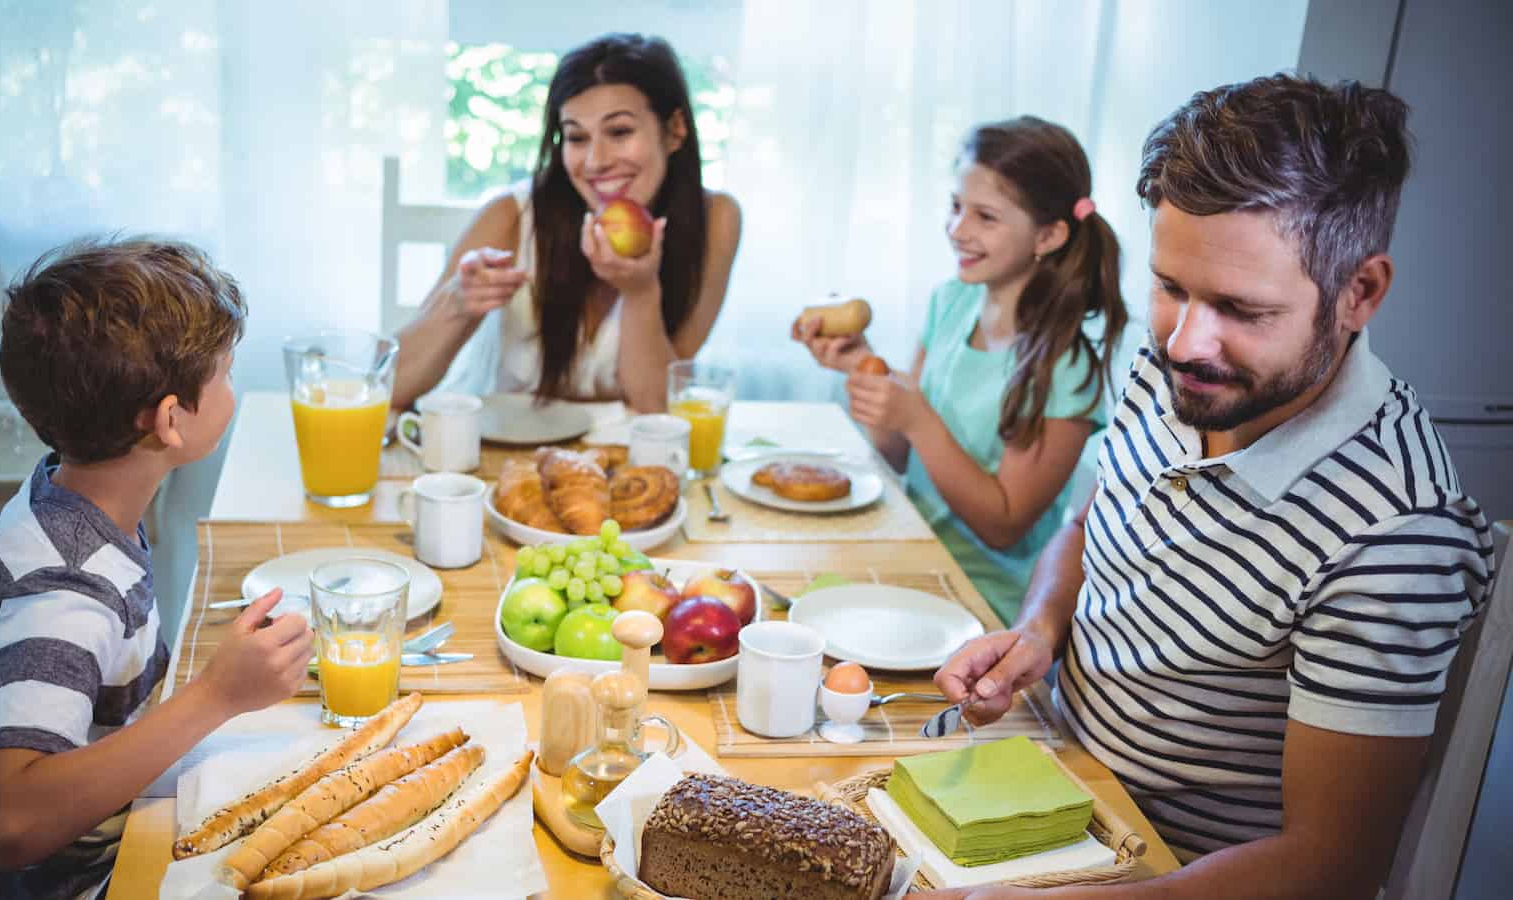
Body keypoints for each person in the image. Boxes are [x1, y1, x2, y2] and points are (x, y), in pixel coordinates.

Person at [923, 75, 1494, 899]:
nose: (1186, 342)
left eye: (1240, 308)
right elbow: (1088, 525)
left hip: (1162, 871)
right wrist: (1041, 630)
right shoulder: (1177, 370)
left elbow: (1330, 864)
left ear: (1360, 291)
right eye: (1171, 288)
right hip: (1047, 779)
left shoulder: (1395, 532)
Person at [0, 239, 314, 900]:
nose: (233, 388)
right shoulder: (64, 590)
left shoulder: (73, 490)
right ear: (169, 420)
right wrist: (214, 696)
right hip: (62, 878)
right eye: (227, 373)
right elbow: (12, 824)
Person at [796, 117, 1128, 625]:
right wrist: (865, 369)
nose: (957, 230)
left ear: (1049, 234)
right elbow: (897, 456)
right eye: (955, 207)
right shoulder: (951, 302)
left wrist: (916, 418)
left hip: (980, 600)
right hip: (910, 547)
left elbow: (1004, 526)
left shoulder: (1067, 368)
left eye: (985, 217)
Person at [392, 33, 742, 412]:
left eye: (620, 132)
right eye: (576, 137)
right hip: (497, 454)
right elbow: (388, 390)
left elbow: (658, 409)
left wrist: (640, 292)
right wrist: (457, 306)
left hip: (625, 462)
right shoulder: (511, 216)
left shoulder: (716, 219)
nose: (595, 161)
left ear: (675, 130)